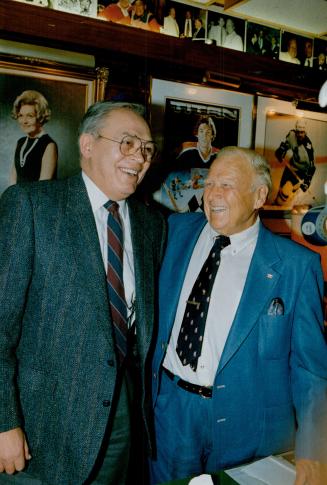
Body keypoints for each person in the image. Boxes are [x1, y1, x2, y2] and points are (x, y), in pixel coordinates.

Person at [0, 101, 166, 485]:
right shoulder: (31, 206)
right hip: (38, 429)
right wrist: (5, 421)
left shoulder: (150, 225)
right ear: (87, 145)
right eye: (127, 143)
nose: (139, 157)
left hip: (119, 420)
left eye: (146, 149)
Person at [150, 146, 327, 485]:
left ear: (259, 195)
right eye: (210, 183)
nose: (212, 194)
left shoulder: (295, 266)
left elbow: (311, 369)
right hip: (171, 414)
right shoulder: (173, 231)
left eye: (226, 185)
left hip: (249, 428)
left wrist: (315, 449)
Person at [10, 90, 57, 185]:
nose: (24, 121)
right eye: (21, 116)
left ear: (40, 117)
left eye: (30, 116)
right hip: (18, 198)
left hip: (37, 199)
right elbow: (13, 178)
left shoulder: (49, 145)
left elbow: (42, 187)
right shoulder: (20, 142)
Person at [274, 118, 315, 205]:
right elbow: (287, 145)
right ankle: (277, 204)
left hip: (301, 172)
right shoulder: (292, 135)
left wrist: (307, 182)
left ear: (305, 132)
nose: (300, 134)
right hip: (291, 165)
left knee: (289, 191)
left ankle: (286, 206)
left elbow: (312, 167)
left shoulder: (308, 147)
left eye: (302, 132)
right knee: (281, 187)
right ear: (296, 130)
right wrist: (281, 151)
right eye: (298, 132)